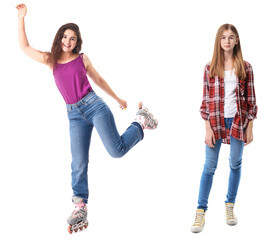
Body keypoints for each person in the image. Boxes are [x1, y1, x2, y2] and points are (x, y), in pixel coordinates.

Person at [15, 3, 158, 233]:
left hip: (94, 106)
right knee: (78, 162)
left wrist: (118, 98)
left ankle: (141, 121)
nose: (67, 42)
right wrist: (22, 18)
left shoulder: (82, 59)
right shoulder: (51, 60)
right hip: (74, 116)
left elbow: (99, 80)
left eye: (72, 39)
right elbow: (24, 46)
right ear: (59, 38)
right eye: (65, 37)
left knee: (116, 151)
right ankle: (79, 206)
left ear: (77, 42)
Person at [190, 23, 257, 233]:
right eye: (223, 37)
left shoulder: (245, 67)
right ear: (219, 41)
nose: (227, 41)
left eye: (231, 37)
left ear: (236, 40)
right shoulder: (210, 68)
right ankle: (200, 210)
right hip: (216, 122)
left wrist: (250, 127)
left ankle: (230, 206)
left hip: (238, 121)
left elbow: (252, 99)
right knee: (209, 167)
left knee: (235, 164)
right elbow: (205, 101)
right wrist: (207, 128)